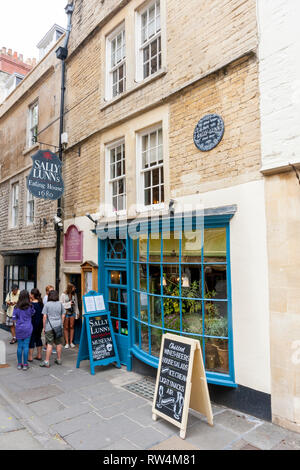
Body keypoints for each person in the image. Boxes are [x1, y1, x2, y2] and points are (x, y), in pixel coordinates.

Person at [40, 290, 65, 368]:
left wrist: (44, 327)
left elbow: (44, 317)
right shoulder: (60, 304)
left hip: (49, 326)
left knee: (50, 344)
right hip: (58, 326)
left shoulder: (47, 305)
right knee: (59, 343)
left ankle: (47, 361)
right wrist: (61, 324)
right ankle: (59, 359)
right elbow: (63, 315)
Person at [12, 290, 34, 371]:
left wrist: (17, 324)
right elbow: (32, 313)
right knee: (26, 346)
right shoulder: (30, 306)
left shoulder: (16, 307)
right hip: (28, 328)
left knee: (19, 346)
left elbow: (14, 319)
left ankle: (19, 364)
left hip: (19, 328)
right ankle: (25, 364)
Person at [61, 283, 79, 349]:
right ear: (70, 288)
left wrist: (77, 312)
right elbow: (61, 304)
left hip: (72, 312)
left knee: (71, 326)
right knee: (66, 327)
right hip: (66, 313)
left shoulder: (74, 294)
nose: (75, 288)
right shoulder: (63, 294)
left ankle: (71, 342)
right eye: (74, 287)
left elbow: (76, 304)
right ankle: (67, 343)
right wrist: (69, 304)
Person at [28, 288, 44, 362]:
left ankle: (30, 357)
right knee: (38, 338)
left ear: (33, 295)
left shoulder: (31, 304)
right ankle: (39, 355)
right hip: (40, 323)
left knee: (32, 339)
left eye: (31, 294)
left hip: (32, 323)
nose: (30, 295)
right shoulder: (41, 303)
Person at [42, 285, 56, 353]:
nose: (52, 292)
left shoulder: (49, 297)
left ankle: (46, 346)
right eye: (50, 290)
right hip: (48, 318)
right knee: (50, 334)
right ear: (47, 291)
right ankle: (48, 347)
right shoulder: (46, 298)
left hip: (50, 317)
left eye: (53, 290)